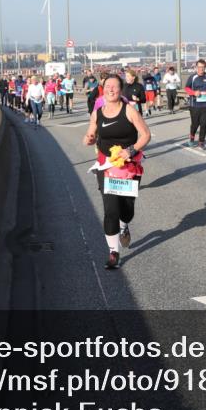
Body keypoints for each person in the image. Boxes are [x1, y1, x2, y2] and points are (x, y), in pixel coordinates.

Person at [83, 74, 151, 269]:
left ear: (121, 90)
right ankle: (113, 252)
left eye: (115, 86)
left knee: (126, 210)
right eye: (108, 86)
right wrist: (88, 139)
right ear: (102, 89)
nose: (111, 89)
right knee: (110, 210)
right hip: (106, 167)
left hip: (128, 166)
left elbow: (145, 135)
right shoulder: (98, 112)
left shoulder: (129, 110)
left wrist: (129, 150)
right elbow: (89, 134)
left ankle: (124, 224)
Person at [184, 59, 206, 149]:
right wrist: (193, 93)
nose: (201, 69)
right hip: (194, 105)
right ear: (196, 67)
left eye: (203, 67)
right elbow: (186, 88)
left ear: (205, 67)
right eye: (199, 67)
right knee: (195, 124)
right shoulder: (192, 77)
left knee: (204, 124)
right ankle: (192, 139)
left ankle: (201, 142)